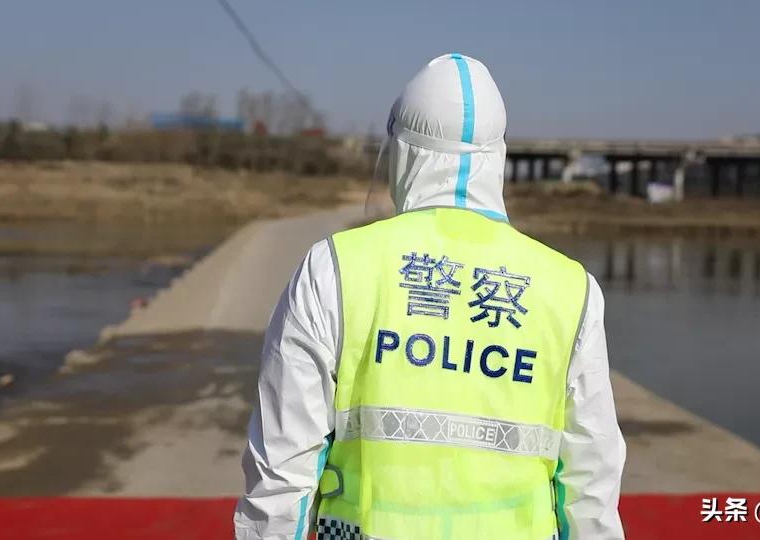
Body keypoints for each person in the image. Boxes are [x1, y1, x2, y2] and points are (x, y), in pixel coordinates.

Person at [234, 53, 626, 540]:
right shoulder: (568, 287)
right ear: (498, 155)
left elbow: (281, 473)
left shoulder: (335, 268)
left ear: (401, 151)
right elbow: (591, 483)